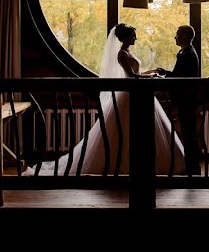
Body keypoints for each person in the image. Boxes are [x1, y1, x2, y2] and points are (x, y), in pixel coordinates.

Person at [24, 23, 186, 176]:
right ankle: (124, 165)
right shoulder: (122, 54)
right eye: (133, 35)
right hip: (129, 96)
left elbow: (137, 73)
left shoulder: (128, 52)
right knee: (124, 130)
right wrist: (151, 76)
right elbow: (131, 76)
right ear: (126, 38)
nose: (135, 38)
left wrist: (151, 72)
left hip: (137, 93)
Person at [155, 25, 201, 175]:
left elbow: (180, 78)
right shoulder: (185, 52)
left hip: (186, 100)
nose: (175, 38)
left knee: (189, 134)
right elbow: (178, 74)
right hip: (185, 100)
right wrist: (166, 73)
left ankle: (193, 168)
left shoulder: (188, 54)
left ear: (185, 37)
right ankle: (191, 166)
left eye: (177, 35)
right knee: (188, 133)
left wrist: (165, 77)